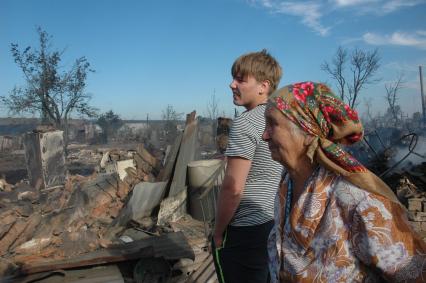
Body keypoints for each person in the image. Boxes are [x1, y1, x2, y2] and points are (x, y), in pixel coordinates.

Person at [262, 81, 426, 282]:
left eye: (273, 124)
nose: (264, 135)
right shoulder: (286, 183)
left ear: (307, 133)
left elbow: (414, 276)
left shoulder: (357, 200)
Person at [212, 49, 284, 283]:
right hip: (273, 222)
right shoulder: (281, 119)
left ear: (263, 86)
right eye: (233, 78)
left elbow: (233, 190)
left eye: (241, 79)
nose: (231, 84)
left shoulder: (245, 122)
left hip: (245, 229)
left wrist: (218, 231)